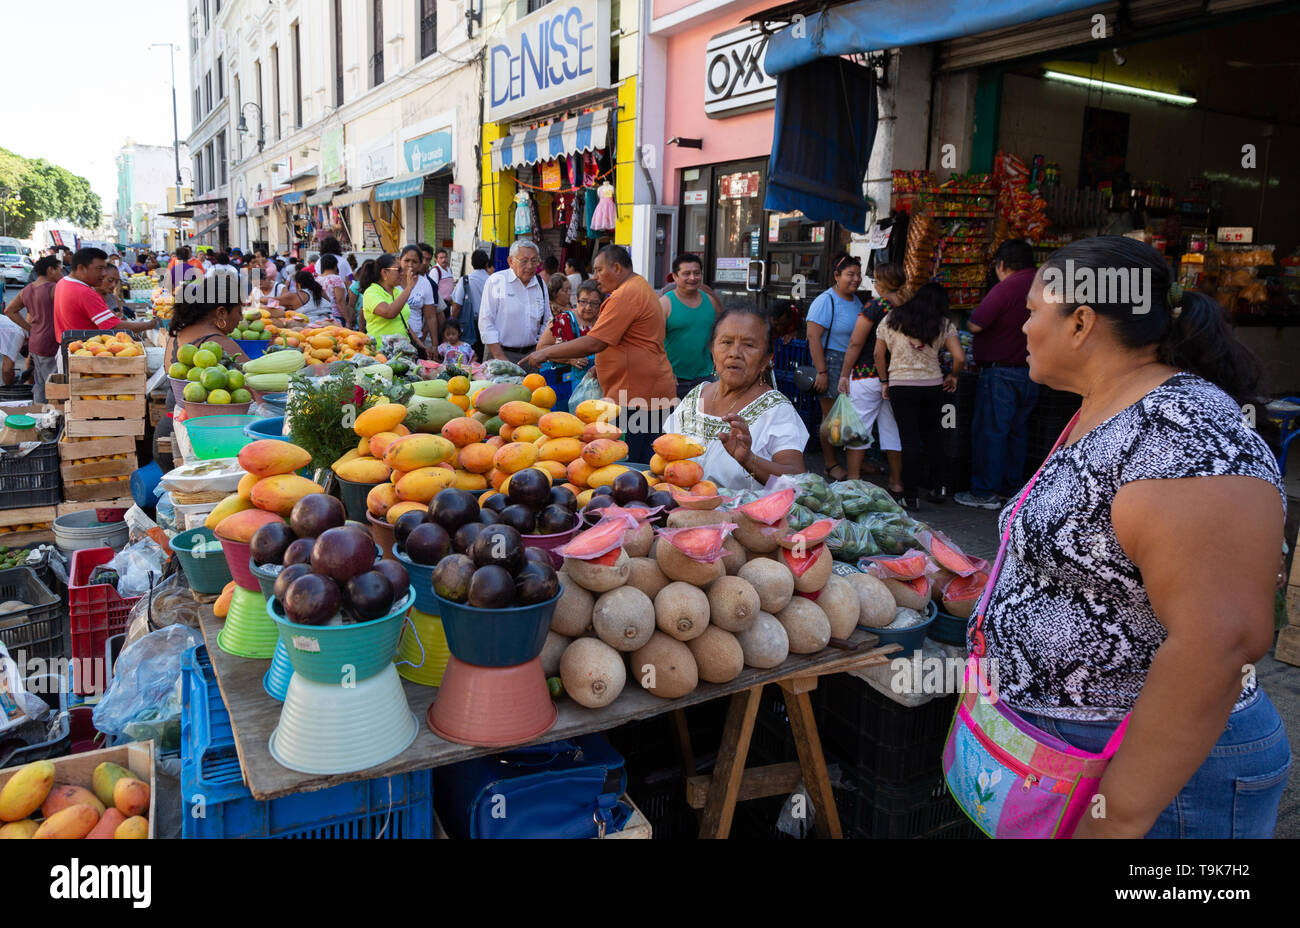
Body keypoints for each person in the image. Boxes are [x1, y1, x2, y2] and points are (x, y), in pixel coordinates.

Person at [981, 235, 1288, 838]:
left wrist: (1117, 816)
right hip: (1077, 757)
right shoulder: (1110, 404)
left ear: (1081, 322)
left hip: (1165, 788)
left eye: (1033, 312)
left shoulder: (1183, 435)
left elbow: (1220, 640)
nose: (1022, 328)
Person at [523, 245, 676, 465]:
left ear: (616, 268)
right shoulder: (639, 286)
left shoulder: (626, 295)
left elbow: (594, 342)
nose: (595, 277)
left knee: (627, 465)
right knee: (646, 465)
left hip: (634, 397)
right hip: (646, 392)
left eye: (598, 270)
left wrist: (545, 353)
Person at [662, 307, 808, 491]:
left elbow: (797, 482)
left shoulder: (777, 410)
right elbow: (665, 456)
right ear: (712, 351)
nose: (735, 353)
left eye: (748, 345)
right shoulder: (695, 396)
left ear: (766, 360)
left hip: (741, 518)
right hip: (682, 514)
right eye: (726, 342)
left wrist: (749, 460)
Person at [954, 240, 1041, 510]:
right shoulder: (1042, 284)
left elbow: (975, 324)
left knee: (992, 432)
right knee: (1018, 432)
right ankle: (1010, 489)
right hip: (1032, 371)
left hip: (1001, 373)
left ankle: (984, 491)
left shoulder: (1008, 287)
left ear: (1001, 264)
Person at [874, 282, 965, 509]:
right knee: (935, 436)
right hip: (932, 386)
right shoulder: (943, 323)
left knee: (909, 439)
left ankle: (911, 496)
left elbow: (878, 353)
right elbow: (960, 357)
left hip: (900, 386)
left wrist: (884, 380)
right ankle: (939, 487)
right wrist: (953, 376)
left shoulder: (892, 318)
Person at [837, 261, 907, 491]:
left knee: (859, 429)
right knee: (892, 429)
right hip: (896, 377)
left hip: (867, 375)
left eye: (876, 280)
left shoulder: (874, 307)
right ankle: (896, 482)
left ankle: (854, 481)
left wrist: (845, 374)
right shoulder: (909, 307)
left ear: (883, 284)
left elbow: (856, 342)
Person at [807, 252, 869, 481]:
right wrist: (821, 371)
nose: (856, 279)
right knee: (831, 417)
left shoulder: (856, 301)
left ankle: (854, 458)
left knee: (851, 415)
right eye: (850, 274)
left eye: (858, 275)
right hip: (831, 362)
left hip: (853, 363)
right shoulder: (826, 301)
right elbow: (813, 338)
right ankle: (830, 463)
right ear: (836, 275)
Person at [53, 248, 157, 347]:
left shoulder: (63, 282)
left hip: (69, 348)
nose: (103, 274)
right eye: (99, 269)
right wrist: (150, 324)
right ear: (81, 268)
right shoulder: (85, 292)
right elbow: (114, 326)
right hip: (81, 352)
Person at [479, 239, 551, 366]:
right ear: (511, 261)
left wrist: (539, 349)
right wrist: (500, 357)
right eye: (524, 261)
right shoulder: (497, 281)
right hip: (501, 354)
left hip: (532, 356)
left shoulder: (540, 283)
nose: (530, 266)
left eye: (534, 261)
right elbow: (486, 323)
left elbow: (547, 321)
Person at [659, 252, 719, 400]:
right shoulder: (665, 303)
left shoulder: (711, 301)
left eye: (696, 273)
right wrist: (664, 372)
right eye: (686, 273)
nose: (692, 278)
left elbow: (721, 335)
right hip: (673, 379)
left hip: (706, 378)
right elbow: (653, 342)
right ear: (674, 276)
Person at [4, 256, 62, 402]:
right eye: (59, 270)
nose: (62, 275)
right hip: (51, 342)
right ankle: (53, 416)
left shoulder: (27, 289)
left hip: (35, 341)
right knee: (54, 385)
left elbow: (9, 310)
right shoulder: (53, 288)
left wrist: (30, 327)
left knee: (40, 382)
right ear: (50, 270)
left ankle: (39, 413)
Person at [359, 253, 415, 338]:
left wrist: (420, 344)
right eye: (398, 270)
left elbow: (404, 323)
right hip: (381, 349)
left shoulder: (398, 292)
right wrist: (409, 287)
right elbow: (388, 313)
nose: (402, 273)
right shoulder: (371, 292)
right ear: (384, 272)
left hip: (403, 348)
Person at [449, 249, 490, 352]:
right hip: (489, 324)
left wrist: (452, 322)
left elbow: (457, 305)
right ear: (486, 264)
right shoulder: (492, 280)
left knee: (468, 354)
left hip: (468, 325)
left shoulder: (465, 280)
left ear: (472, 264)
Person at [400, 244, 437, 351]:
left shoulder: (425, 284)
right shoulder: (393, 281)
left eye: (415, 262)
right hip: (393, 337)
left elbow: (431, 317)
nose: (410, 265)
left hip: (416, 339)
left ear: (420, 264)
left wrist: (435, 345)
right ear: (399, 260)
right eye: (406, 260)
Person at [315, 254, 349, 327]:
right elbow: (340, 301)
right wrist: (347, 319)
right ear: (335, 265)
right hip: (336, 316)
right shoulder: (336, 279)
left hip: (321, 315)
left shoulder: (316, 280)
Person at [429, 246, 455, 312]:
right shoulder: (435, 271)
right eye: (441, 258)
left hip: (449, 304)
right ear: (436, 259)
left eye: (445, 257)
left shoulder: (449, 269)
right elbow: (432, 289)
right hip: (441, 305)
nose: (444, 260)